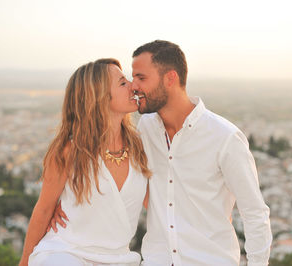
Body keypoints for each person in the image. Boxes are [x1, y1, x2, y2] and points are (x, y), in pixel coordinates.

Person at [51, 41, 273, 266]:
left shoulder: (224, 138)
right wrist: (63, 202)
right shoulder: (145, 129)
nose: (133, 86)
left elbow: (255, 213)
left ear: (170, 79)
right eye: (131, 78)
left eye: (141, 78)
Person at [19, 58, 151, 266]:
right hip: (67, 253)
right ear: (99, 96)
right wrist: (25, 261)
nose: (133, 87)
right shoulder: (70, 151)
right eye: (123, 83)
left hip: (120, 259)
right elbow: (44, 209)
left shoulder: (140, 146)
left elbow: (158, 204)